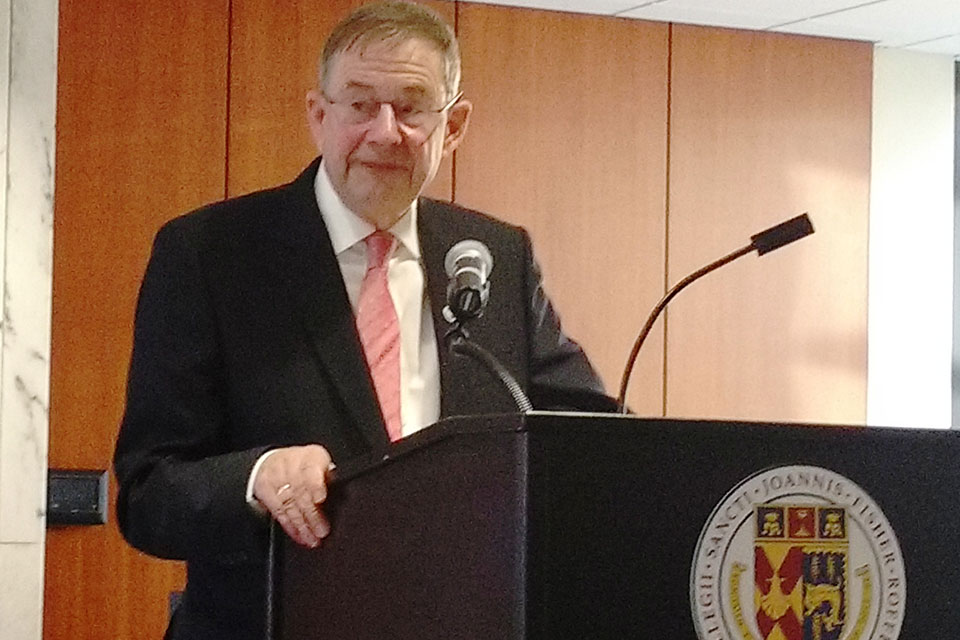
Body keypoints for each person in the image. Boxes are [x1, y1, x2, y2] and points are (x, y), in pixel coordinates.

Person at [113, 2, 612, 638]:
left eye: (411, 107)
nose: (385, 131)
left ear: (453, 125)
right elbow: (149, 492)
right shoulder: (212, 254)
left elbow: (589, 439)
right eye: (359, 105)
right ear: (318, 117)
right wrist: (256, 476)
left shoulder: (493, 257)